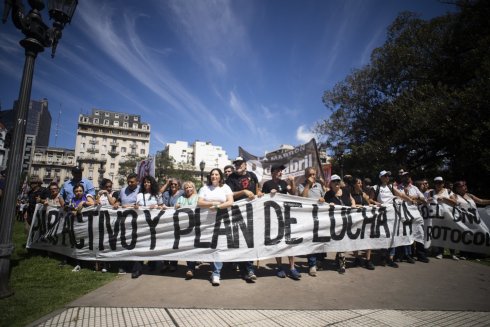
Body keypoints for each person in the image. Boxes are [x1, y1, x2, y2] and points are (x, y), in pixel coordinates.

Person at [225, 156, 262, 282]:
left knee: (250, 241)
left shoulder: (253, 175)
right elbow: (229, 195)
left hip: (252, 213)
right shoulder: (231, 178)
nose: (238, 166)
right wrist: (244, 191)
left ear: (245, 165)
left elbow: (258, 190)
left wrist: (259, 193)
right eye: (236, 164)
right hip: (237, 213)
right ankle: (246, 270)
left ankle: (248, 269)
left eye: (240, 164)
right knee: (241, 242)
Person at [261, 164, 300, 280]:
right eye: (278, 170)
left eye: (281, 171)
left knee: (289, 242)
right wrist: (269, 194)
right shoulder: (267, 184)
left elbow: (293, 193)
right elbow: (262, 198)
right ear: (272, 172)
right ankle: (279, 267)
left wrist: (292, 182)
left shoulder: (284, 183)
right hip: (273, 217)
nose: (280, 172)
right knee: (277, 242)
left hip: (285, 215)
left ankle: (292, 268)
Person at [369, 170, 414, 268]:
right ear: (380, 177)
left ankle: (390, 259)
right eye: (385, 176)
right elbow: (370, 200)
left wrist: (410, 200)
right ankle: (383, 258)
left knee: (393, 236)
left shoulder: (391, 187)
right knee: (384, 236)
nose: (387, 177)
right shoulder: (375, 188)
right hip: (382, 215)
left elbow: (401, 195)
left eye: (388, 176)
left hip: (393, 214)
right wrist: (377, 203)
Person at [198, 168, 234, 286]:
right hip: (207, 222)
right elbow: (200, 202)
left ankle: (216, 273)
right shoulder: (204, 188)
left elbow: (230, 202)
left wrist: (218, 207)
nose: (214, 176)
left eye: (216, 174)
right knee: (211, 246)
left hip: (222, 221)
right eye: (212, 174)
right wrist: (213, 203)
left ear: (220, 176)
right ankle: (214, 269)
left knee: (219, 247)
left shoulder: (225, 188)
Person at [324, 174, 356, 274]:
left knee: (344, 241)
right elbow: (324, 206)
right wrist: (329, 205)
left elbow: (352, 199)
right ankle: (341, 262)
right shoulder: (328, 194)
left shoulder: (346, 191)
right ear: (331, 184)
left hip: (348, 220)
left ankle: (340, 259)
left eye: (338, 180)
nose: (337, 182)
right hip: (336, 222)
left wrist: (354, 205)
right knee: (340, 241)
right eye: (334, 181)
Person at [297, 167, 326, 277]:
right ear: (306, 176)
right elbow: (302, 198)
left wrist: (323, 199)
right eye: (311, 174)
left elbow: (324, 198)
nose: (313, 176)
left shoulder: (319, 186)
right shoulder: (301, 186)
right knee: (311, 241)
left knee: (319, 240)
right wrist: (308, 185)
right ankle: (312, 265)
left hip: (320, 217)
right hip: (307, 218)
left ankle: (319, 261)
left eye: (314, 174)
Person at [396, 171, 427, 264]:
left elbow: (423, 200)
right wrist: (408, 197)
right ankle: (403, 255)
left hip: (415, 213)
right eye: (405, 176)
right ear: (401, 178)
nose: (407, 178)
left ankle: (421, 255)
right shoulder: (397, 188)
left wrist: (412, 197)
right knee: (403, 233)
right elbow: (398, 198)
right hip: (403, 213)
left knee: (419, 232)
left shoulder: (415, 188)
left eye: (408, 176)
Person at [114, 173, 141, 277]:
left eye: (132, 182)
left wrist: (130, 206)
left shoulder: (140, 190)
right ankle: (124, 265)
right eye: (128, 181)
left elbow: (140, 205)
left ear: (137, 182)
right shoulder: (122, 190)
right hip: (124, 221)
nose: (129, 183)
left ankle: (136, 268)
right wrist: (117, 204)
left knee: (136, 244)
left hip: (136, 222)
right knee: (124, 243)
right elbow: (119, 201)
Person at [427, 176, 459, 260]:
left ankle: (452, 253)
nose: (438, 184)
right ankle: (440, 252)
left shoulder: (448, 191)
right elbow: (424, 202)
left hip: (448, 217)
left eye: (440, 183)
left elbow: (455, 203)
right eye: (436, 183)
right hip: (436, 218)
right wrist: (428, 200)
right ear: (434, 184)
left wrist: (444, 198)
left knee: (449, 234)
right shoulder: (431, 192)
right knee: (439, 235)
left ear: (443, 183)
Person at [350, 177, 378, 270]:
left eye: (361, 183)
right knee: (356, 239)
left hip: (365, 219)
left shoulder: (363, 193)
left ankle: (368, 260)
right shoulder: (350, 194)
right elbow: (350, 205)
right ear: (354, 184)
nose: (360, 184)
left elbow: (369, 202)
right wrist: (359, 206)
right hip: (355, 219)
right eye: (358, 183)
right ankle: (357, 258)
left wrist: (373, 203)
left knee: (367, 238)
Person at [66, 183, 95, 272]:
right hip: (76, 225)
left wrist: (83, 202)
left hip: (87, 225)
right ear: (74, 192)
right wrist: (74, 211)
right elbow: (70, 210)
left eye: (80, 191)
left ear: (83, 191)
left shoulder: (86, 196)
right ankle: (78, 263)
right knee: (77, 244)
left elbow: (92, 203)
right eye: (76, 191)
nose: (78, 192)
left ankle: (89, 262)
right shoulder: (72, 200)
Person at [174, 180, 199, 279]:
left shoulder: (198, 197)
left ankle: (192, 266)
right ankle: (190, 267)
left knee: (194, 247)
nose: (188, 189)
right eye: (186, 188)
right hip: (184, 228)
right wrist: (176, 206)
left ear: (193, 188)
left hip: (196, 226)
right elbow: (175, 208)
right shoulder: (181, 198)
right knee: (188, 248)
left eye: (190, 187)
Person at [161, 177, 184, 273]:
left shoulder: (182, 193)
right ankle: (165, 263)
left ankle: (174, 264)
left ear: (179, 185)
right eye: (171, 184)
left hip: (178, 221)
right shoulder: (166, 193)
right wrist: (167, 183)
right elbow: (159, 193)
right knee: (166, 243)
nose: (173, 186)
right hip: (167, 221)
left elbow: (193, 194)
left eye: (175, 184)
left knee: (175, 243)